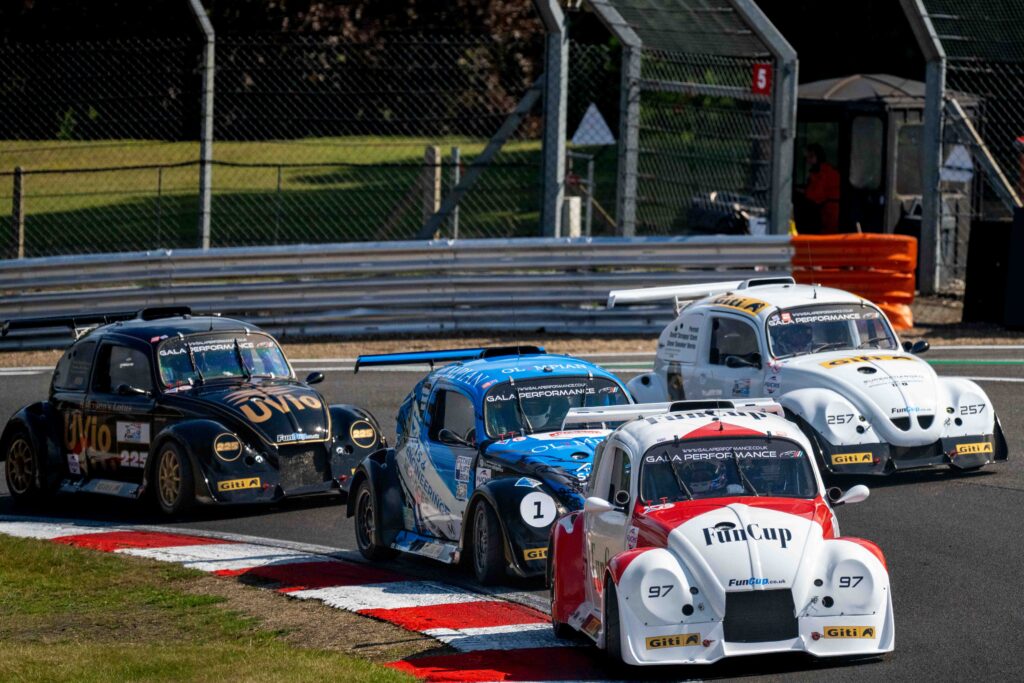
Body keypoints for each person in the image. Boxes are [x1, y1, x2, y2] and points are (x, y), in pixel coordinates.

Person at [798, 144, 840, 233]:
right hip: (826, 211)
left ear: (819, 156)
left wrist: (803, 192)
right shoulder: (820, 171)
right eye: (807, 157)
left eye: (811, 156)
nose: (808, 160)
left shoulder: (824, 172)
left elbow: (816, 196)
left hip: (830, 212)